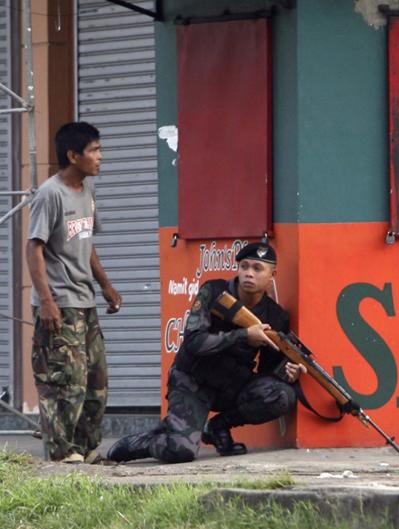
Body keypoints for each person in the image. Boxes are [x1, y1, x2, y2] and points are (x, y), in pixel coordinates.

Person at [107, 243, 304, 463]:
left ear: (272, 275)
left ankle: (218, 426)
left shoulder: (275, 316)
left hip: (231, 386)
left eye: (258, 268)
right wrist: (243, 336)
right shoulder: (214, 292)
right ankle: (147, 441)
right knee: (180, 451)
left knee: (282, 395)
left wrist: (288, 373)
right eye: (244, 266)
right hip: (192, 383)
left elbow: (268, 371)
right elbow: (193, 342)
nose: (249, 273)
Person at [26, 121, 122, 463]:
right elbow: (33, 248)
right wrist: (47, 302)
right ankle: (62, 453)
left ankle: (84, 448)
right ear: (73, 155)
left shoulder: (86, 192)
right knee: (66, 383)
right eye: (94, 150)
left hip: (85, 301)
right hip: (60, 304)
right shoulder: (50, 194)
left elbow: (85, 242)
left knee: (96, 383)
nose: (100, 157)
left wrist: (106, 285)